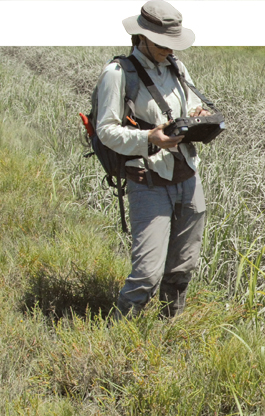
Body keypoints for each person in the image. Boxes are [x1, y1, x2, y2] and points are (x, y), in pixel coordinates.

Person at [95, 0, 209, 318]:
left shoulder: (176, 67)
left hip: (188, 176)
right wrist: (149, 138)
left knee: (183, 266)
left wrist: (200, 115)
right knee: (146, 274)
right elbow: (105, 131)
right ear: (142, 37)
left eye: (173, 43)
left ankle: (168, 326)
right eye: (162, 43)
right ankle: (118, 338)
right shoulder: (117, 74)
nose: (169, 49)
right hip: (148, 181)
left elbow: (191, 103)